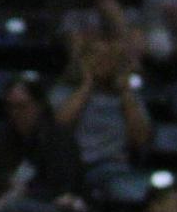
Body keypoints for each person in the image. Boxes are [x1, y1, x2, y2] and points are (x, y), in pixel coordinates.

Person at [52, 37, 153, 194]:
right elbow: (58, 127)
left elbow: (141, 139)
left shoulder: (130, 98)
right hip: (73, 166)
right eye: (95, 55)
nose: (101, 61)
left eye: (109, 56)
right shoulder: (64, 91)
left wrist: (125, 92)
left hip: (115, 166)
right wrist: (86, 85)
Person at [0, 74, 83, 212]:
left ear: (39, 106)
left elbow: (63, 186)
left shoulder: (57, 139)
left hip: (42, 210)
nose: (16, 113)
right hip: (1, 206)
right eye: (10, 107)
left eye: (22, 107)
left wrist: (24, 190)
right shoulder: (3, 136)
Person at [60, 0, 146, 75]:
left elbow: (135, 61)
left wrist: (117, 20)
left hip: (122, 77)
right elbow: (76, 55)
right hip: (86, 76)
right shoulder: (74, 16)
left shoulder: (132, 15)